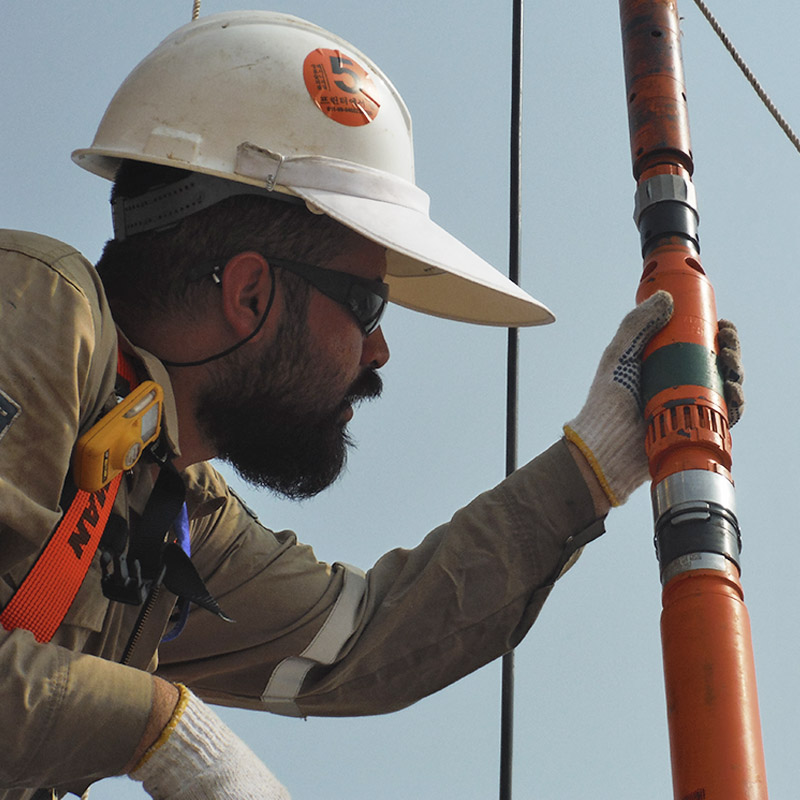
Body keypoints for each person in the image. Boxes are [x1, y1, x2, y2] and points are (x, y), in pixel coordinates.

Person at [0, 11, 742, 800]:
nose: (379, 354)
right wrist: (162, 729)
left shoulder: (167, 507)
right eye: (367, 307)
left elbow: (363, 639)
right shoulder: (38, 311)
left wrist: (597, 461)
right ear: (251, 293)